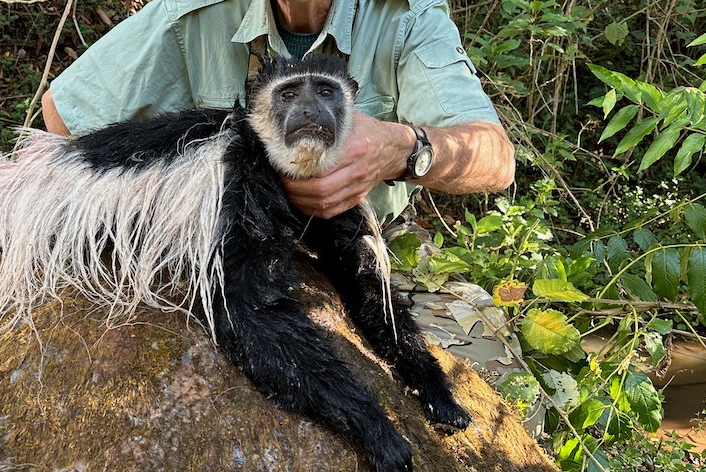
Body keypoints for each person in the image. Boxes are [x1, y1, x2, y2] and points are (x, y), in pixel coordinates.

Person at [41, 0, 545, 434]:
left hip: (376, 235)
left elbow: (497, 159)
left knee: (514, 392)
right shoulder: (192, 11)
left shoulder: (405, 14)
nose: (307, 109)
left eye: (325, 96)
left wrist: (403, 148)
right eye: (288, 98)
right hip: (228, 230)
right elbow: (65, 116)